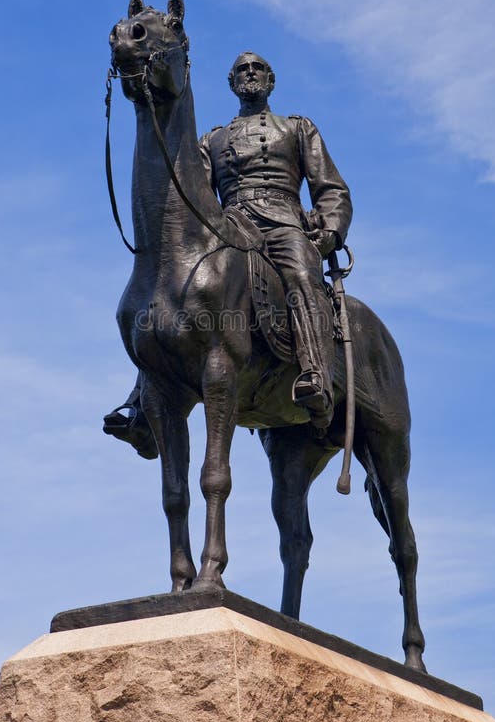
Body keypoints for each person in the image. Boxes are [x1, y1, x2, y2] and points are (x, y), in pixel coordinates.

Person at [104, 51, 352, 450]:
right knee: (170, 295)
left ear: (270, 80)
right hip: (232, 224)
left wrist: (329, 233)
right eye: (241, 70)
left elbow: (333, 190)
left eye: (257, 69)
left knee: (303, 275)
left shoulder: (297, 128)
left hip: (283, 222)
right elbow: (195, 196)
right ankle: (141, 407)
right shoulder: (212, 140)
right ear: (231, 83)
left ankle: (315, 374)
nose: (249, 74)